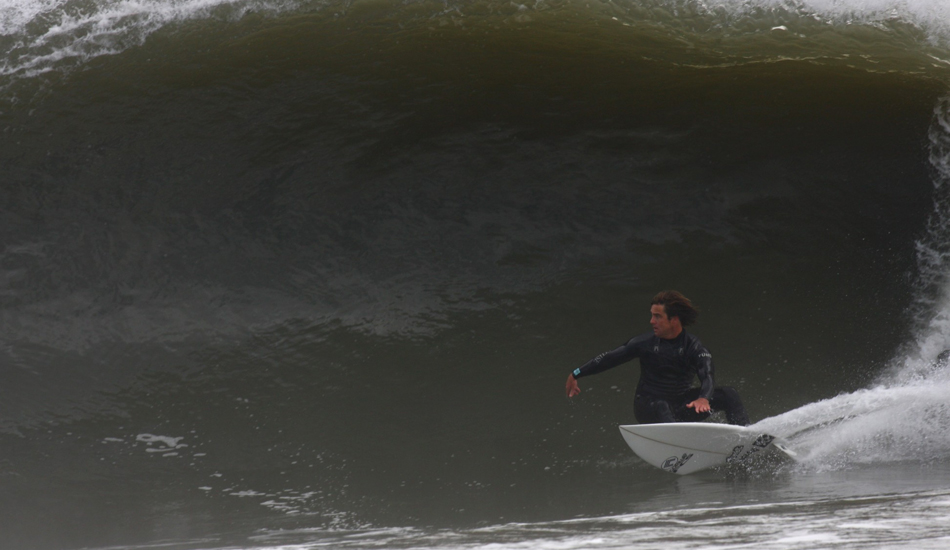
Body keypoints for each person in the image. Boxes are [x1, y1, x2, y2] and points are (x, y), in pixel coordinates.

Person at [565, 290, 749, 426]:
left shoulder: (694, 347)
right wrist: (576, 373)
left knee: (728, 394)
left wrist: (704, 398)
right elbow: (609, 358)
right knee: (662, 405)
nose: (651, 321)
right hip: (648, 407)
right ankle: (678, 444)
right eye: (652, 316)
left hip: (680, 405)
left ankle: (745, 439)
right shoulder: (643, 343)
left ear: (674, 320)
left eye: (657, 316)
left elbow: (707, 374)